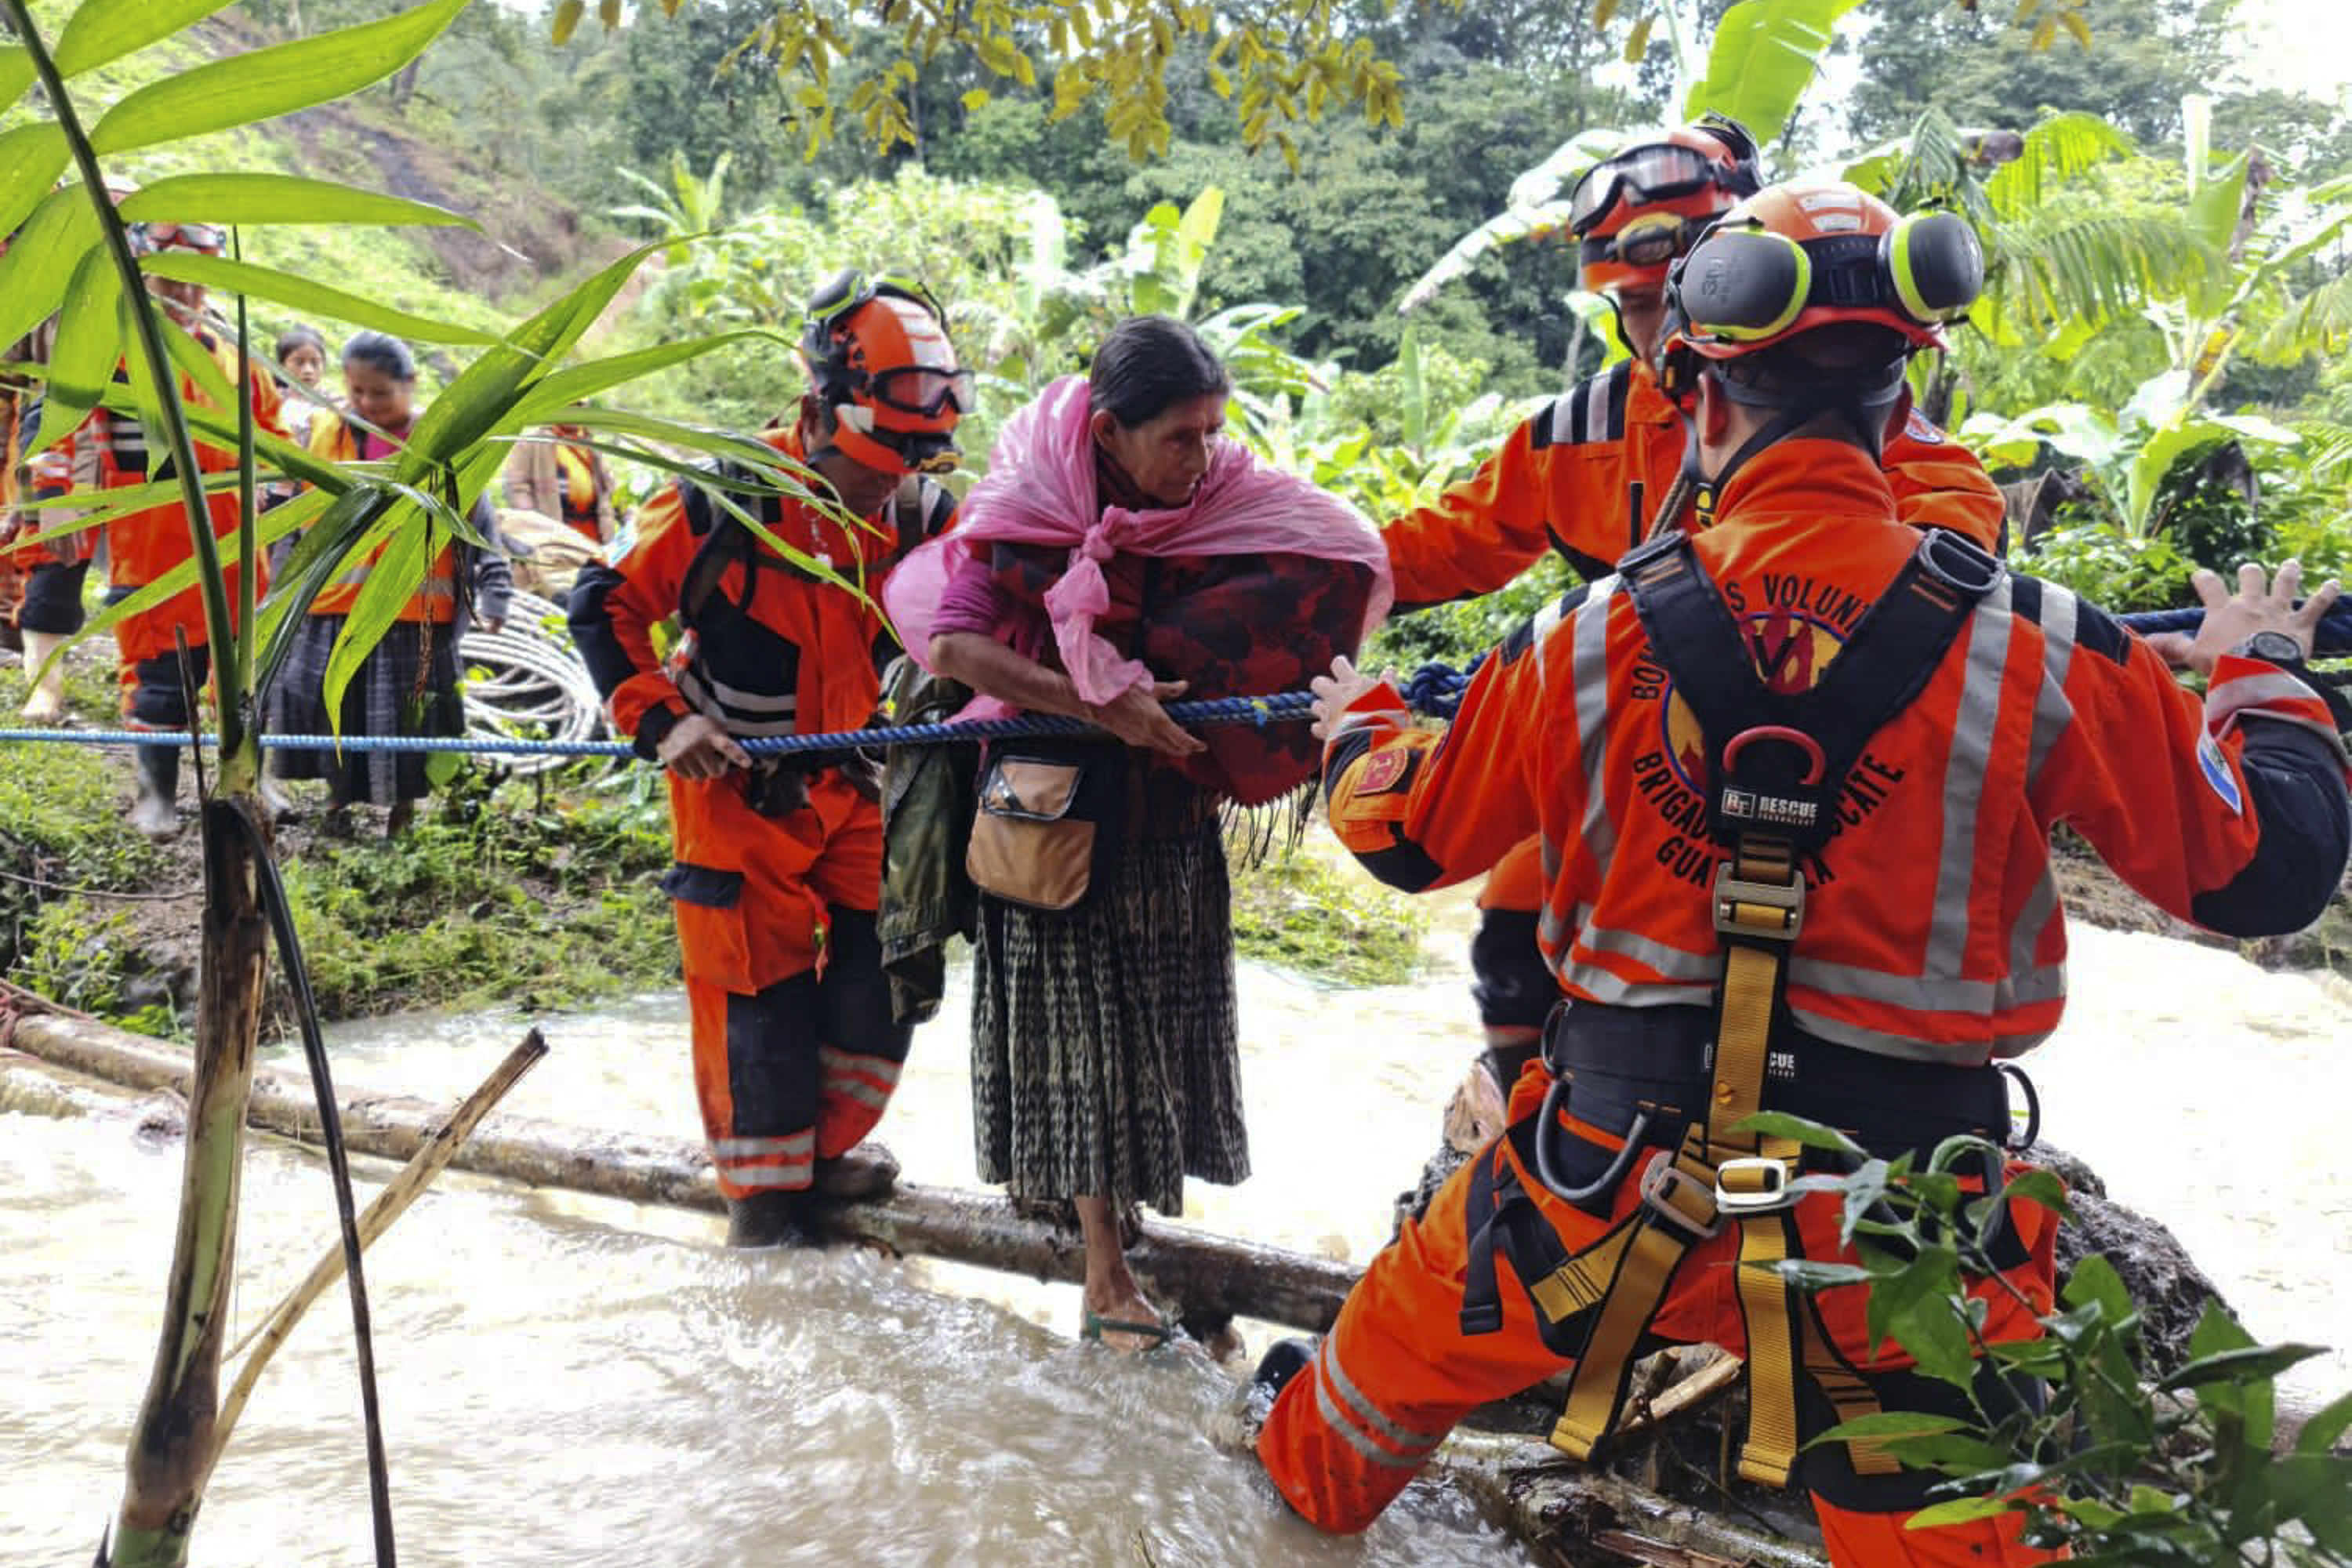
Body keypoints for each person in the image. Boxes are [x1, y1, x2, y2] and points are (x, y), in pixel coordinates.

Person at [1258, 183, 2351, 1564]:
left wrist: (1362, 722)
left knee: (1316, 1455)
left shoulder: (1579, 640)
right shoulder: (2046, 648)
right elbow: (2268, 873)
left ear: (1703, 403)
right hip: (1907, 1245)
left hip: (1587, 1187)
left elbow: (1403, 835)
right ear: (1907, 408)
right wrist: (2263, 669)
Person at [1382, 116, 2009, 1144]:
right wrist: (1295, 578)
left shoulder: (1884, 430)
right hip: (1646, 766)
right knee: (1511, 923)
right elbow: (1448, 543)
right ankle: (1554, 1120)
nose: (1653, 328)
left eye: (1670, 297)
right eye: (1629, 305)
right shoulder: (1580, 432)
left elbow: (1943, 560)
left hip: (1837, 787)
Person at [888, 317, 1392, 1351]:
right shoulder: (1032, 512)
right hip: (1054, 829)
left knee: (1156, 1037)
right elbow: (956, 644)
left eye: (1213, 432)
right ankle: (1105, 1273)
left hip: (1168, 823)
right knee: (1081, 1047)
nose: (1203, 458)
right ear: (1110, 433)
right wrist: (1093, 700)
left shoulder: (1226, 507)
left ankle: (1131, 1231)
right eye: (1179, 437)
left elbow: (1322, 565)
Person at [570, 271, 965, 1247]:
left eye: (907, 464)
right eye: (873, 463)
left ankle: (823, 1159)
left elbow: (981, 606)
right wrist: (664, 724)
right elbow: (601, 601)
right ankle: (764, 1214)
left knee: (894, 961)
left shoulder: (921, 513)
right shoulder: (717, 501)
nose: (886, 485)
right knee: (761, 994)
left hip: (857, 777)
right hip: (735, 790)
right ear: (813, 412)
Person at [34, 220, 285, 834]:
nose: (186, 295)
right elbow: (59, 427)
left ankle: (255, 784)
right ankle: (157, 795)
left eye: (198, 284)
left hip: (235, 550)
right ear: (145, 275)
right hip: (151, 549)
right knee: (158, 677)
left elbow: (275, 436)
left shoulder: (235, 357)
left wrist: (280, 489)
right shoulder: (112, 349)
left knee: (246, 675)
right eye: (172, 280)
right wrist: (57, 500)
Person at [266, 331, 512, 836]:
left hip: (410, 616)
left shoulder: (446, 445)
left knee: (404, 721)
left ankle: (402, 814)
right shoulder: (322, 434)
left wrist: (495, 589)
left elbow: (482, 525)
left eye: (379, 393)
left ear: (411, 384)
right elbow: (295, 519)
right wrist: (278, 590)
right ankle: (338, 803)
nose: (366, 403)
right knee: (332, 709)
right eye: (357, 391)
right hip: (332, 609)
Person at [502, 419, 617, 546]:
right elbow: (516, 487)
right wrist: (533, 525)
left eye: (580, 405)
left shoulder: (589, 443)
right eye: (570, 405)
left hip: (593, 534)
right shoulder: (531, 443)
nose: (575, 410)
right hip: (553, 535)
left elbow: (609, 488)